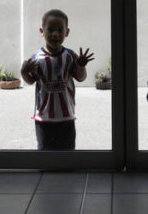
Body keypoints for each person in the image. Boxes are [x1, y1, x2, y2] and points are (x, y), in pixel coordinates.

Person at [20, 9, 94, 150]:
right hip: (43, 117)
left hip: (66, 117)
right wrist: (24, 72)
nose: (55, 34)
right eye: (51, 29)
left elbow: (80, 78)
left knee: (67, 154)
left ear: (67, 32)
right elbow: (30, 81)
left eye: (60, 30)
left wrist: (81, 67)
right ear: (42, 31)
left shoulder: (70, 56)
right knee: (45, 153)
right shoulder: (36, 57)